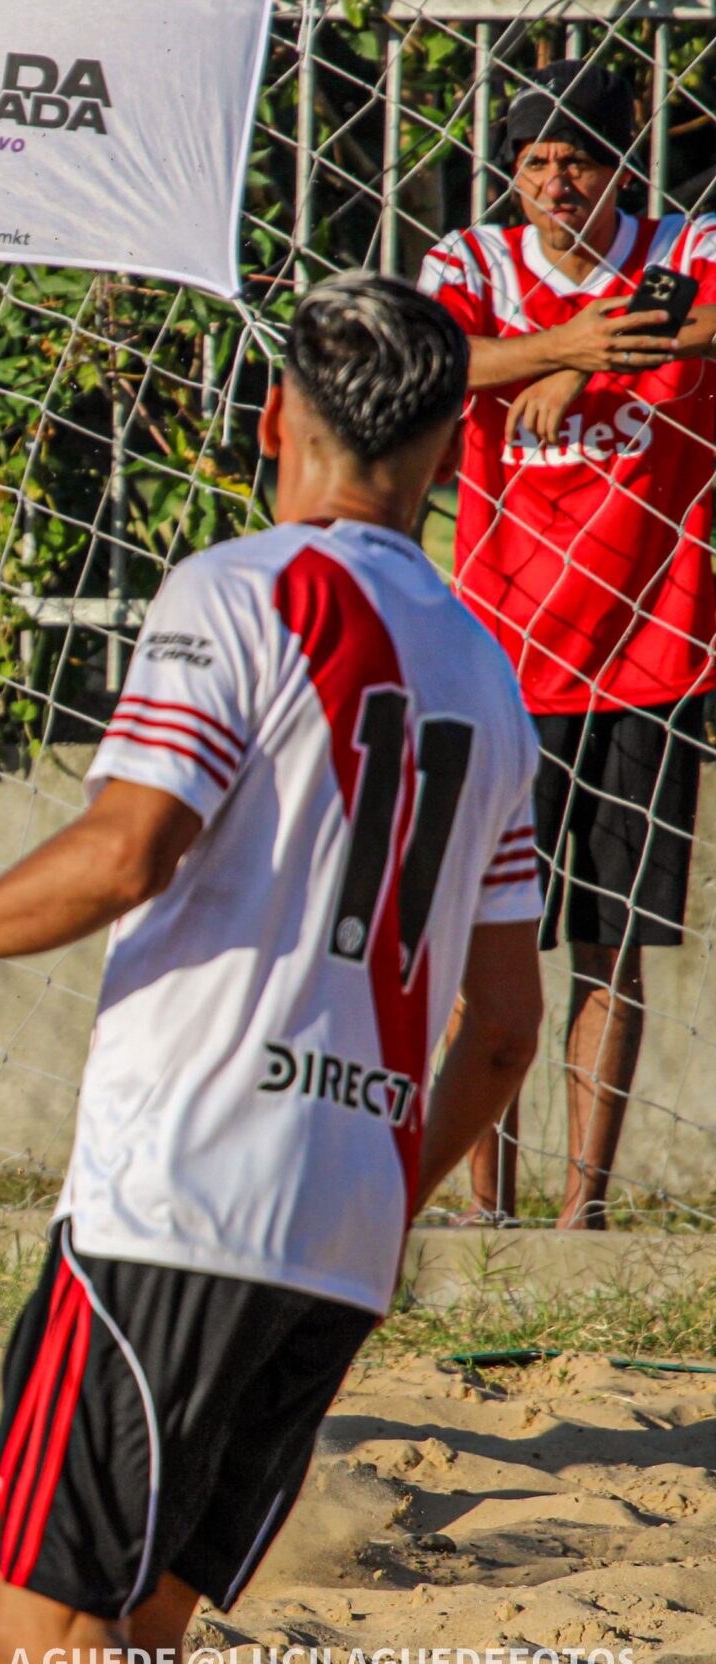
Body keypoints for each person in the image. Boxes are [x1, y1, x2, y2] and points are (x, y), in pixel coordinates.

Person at [0, 275, 544, 1664]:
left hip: (184, 1189)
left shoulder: (243, 586)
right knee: (139, 1639)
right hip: (348, 1218)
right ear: (452, 450)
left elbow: (125, 852)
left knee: (45, 1648)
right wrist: (372, 1187)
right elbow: (506, 1029)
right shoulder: (489, 674)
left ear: (274, 418)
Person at [418, 60, 716, 1228]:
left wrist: (622, 343)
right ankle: (479, 1201)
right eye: (533, 163)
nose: (552, 183)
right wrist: (559, 350)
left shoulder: (678, 250)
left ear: (615, 169)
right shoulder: (473, 264)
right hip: (501, 656)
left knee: (612, 946)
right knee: (484, 946)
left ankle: (578, 1210)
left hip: (652, 655)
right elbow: (435, 359)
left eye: (574, 163)